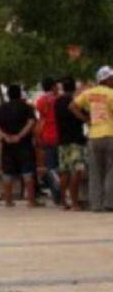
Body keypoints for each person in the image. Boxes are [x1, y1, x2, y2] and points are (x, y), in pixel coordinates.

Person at [72, 66, 113, 212]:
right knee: (110, 170)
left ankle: (96, 204)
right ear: (106, 79)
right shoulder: (111, 93)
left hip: (94, 135)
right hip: (110, 134)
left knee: (95, 171)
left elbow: (72, 106)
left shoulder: (88, 93)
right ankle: (109, 203)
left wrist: (86, 119)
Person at [0, 85, 39, 207]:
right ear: (20, 94)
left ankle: (8, 200)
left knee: (7, 172)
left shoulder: (1, 108)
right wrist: (20, 135)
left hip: (7, 144)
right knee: (27, 172)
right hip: (24, 144)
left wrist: (4, 136)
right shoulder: (27, 107)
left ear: (8, 95)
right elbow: (31, 122)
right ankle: (31, 201)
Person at [55, 77, 87, 210]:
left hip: (62, 140)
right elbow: (84, 116)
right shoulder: (76, 101)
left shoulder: (57, 102)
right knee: (77, 171)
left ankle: (63, 202)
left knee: (64, 172)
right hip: (76, 140)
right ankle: (75, 202)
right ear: (74, 88)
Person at [34, 77, 61, 203]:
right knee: (62, 166)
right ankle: (62, 192)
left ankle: (56, 194)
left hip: (46, 135)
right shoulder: (58, 99)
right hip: (59, 134)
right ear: (53, 87)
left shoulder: (40, 101)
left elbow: (41, 119)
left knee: (50, 166)